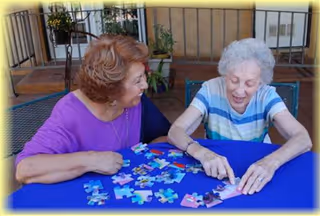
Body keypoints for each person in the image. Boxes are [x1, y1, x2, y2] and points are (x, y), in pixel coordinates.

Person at [15, 34, 171, 184]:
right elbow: (25, 169)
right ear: (111, 91)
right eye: (138, 81)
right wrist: (91, 160)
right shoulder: (71, 112)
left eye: (144, 76)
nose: (145, 85)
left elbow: (162, 137)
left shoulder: (135, 101)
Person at [168, 38, 312, 195]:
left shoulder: (267, 95)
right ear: (225, 74)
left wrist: (271, 163)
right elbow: (175, 131)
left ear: (261, 82)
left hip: (258, 164)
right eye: (234, 80)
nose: (239, 91)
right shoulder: (210, 89)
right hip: (215, 166)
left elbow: (303, 139)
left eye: (249, 84)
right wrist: (201, 152)